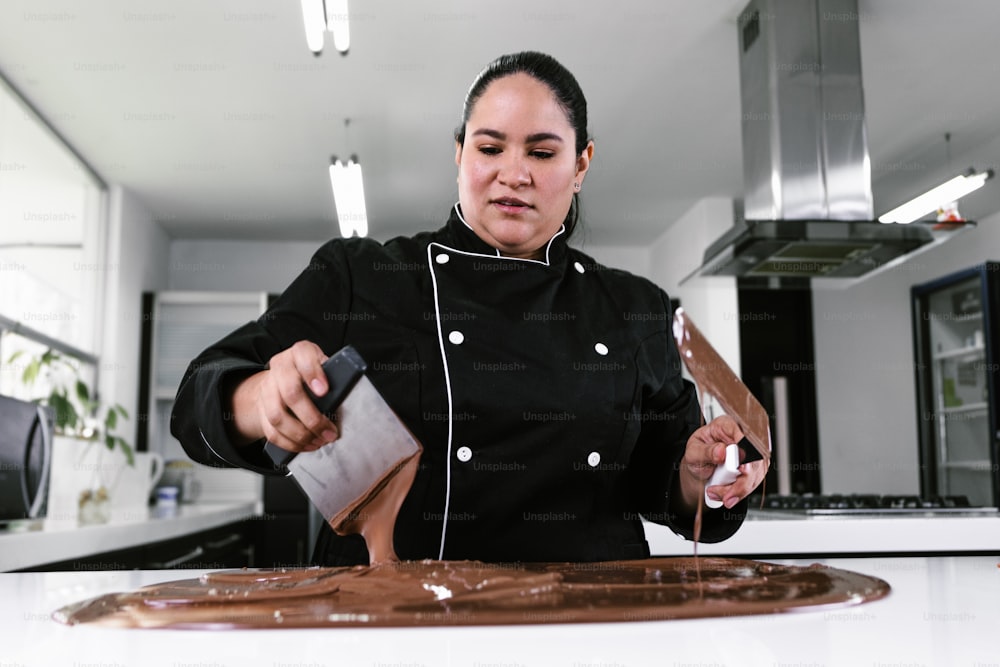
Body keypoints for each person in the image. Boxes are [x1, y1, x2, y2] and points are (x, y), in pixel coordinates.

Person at [171, 51, 768, 565]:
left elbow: (668, 481)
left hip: (586, 625)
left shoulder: (635, 308)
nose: (514, 175)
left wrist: (701, 477)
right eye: (490, 147)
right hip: (397, 624)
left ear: (581, 165)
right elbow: (198, 398)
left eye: (541, 152)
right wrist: (260, 402)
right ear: (459, 154)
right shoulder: (365, 276)